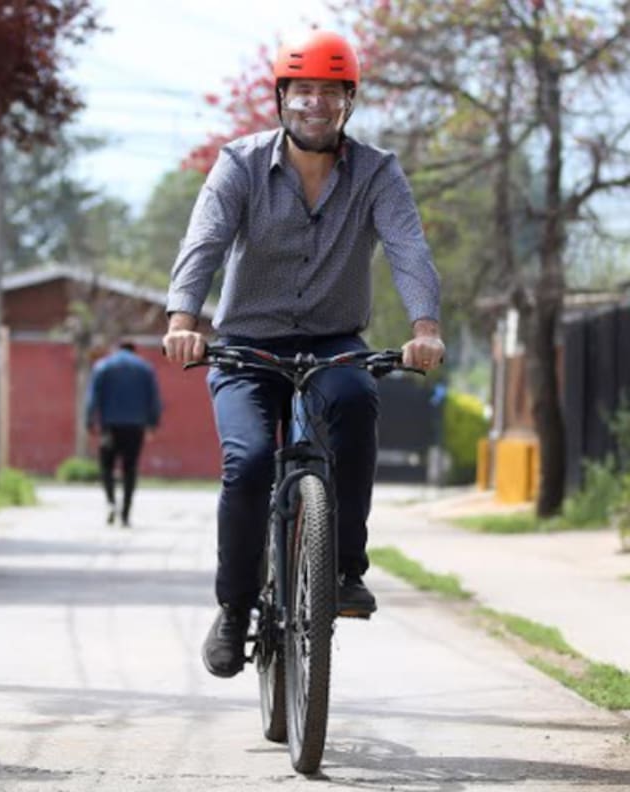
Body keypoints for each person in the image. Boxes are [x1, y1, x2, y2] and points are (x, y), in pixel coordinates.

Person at [161, 31, 445, 679]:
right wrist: (184, 319)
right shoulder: (239, 165)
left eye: (330, 92)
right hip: (245, 341)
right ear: (282, 98)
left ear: (349, 102)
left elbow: (408, 248)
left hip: (333, 339)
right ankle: (234, 609)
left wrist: (424, 326)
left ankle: (345, 567)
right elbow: (203, 243)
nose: (315, 104)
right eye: (303, 90)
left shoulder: (378, 171)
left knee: (355, 403)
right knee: (251, 459)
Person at [85, 339, 162, 528]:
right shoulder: (145, 369)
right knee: (130, 468)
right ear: (135, 351)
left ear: (116, 349)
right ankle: (126, 513)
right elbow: (154, 399)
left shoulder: (102, 367)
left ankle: (111, 502)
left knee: (106, 466)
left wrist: (89, 421)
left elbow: (92, 397)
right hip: (135, 427)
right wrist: (152, 423)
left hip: (109, 426)